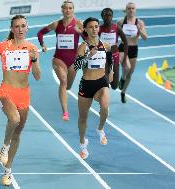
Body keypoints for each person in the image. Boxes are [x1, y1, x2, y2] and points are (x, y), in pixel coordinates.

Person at [0, 15, 41, 186]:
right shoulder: (3, 47)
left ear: (27, 28)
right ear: (11, 29)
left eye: (23, 26)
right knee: (14, 119)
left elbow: (37, 76)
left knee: (18, 131)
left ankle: (8, 171)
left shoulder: (32, 48)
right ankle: (5, 146)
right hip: (6, 90)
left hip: (24, 93)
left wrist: (34, 60)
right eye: (16, 26)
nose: (20, 29)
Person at [37, 0, 84, 121]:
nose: (68, 10)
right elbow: (40, 33)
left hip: (73, 61)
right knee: (63, 81)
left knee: (67, 86)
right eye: (65, 8)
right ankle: (65, 112)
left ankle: (65, 95)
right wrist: (42, 44)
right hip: (59, 59)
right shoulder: (56, 24)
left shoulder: (79, 24)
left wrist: (82, 33)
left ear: (73, 10)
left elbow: (89, 39)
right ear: (62, 10)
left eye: (70, 8)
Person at [74, 17, 113, 160]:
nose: (94, 29)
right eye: (90, 27)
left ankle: (100, 129)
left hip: (101, 82)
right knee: (83, 117)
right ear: (85, 29)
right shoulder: (83, 47)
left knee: (105, 107)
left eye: (96, 26)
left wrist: (112, 71)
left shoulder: (106, 45)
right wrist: (88, 55)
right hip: (87, 84)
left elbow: (110, 59)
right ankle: (83, 143)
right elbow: (77, 66)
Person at [117, 2, 147, 103]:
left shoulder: (140, 23)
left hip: (134, 49)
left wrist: (140, 30)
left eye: (133, 8)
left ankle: (123, 92)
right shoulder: (121, 22)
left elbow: (145, 38)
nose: (131, 10)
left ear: (135, 10)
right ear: (126, 10)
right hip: (123, 47)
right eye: (129, 8)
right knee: (127, 67)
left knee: (130, 74)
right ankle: (122, 78)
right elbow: (115, 35)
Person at [99, 7, 128, 89]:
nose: (107, 17)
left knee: (114, 86)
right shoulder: (98, 29)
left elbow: (126, 42)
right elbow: (89, 38)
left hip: (114, 55)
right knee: (104, 81)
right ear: (102, 16)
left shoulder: (116, 28)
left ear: (112, 16)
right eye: (105, 15)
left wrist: (125, 59)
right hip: (103, 55)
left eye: (109, 15)